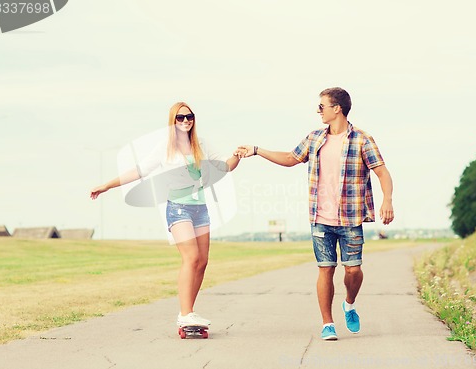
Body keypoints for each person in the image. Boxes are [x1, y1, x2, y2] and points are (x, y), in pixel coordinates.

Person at [238, 87, 394, 340]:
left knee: (353, 270)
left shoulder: (362, 140)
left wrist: (388, 200)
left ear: (337, 108)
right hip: (320, 218)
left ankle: (350, 304)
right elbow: (290, 158)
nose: (318, 110)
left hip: (350, 217)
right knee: (326, 269)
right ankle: (327, 323)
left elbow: (382, 172)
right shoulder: (314, 138)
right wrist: (257, 150)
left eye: (322, 106)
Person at [90, 102, 243, 329]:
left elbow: (224, 167)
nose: (185, 121)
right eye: (180, 118)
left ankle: (189, 312)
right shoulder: (165, 147)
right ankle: (185, 313)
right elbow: (139, 171)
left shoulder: (201, 144)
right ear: (173, 121)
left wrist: (237, 156)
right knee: (190, 258)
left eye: (189, 117)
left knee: (202, 262)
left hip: (200, 208)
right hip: (178, 208)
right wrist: (107, 185)